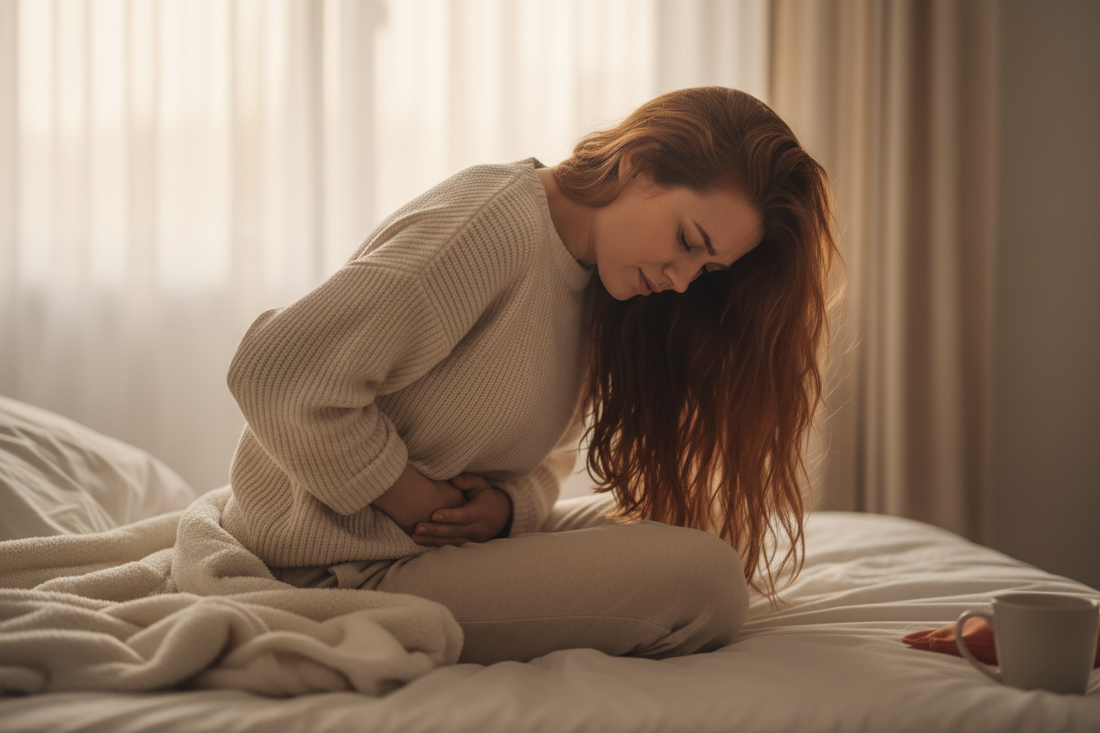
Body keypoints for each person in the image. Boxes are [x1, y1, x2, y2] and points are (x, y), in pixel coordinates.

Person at [222, 87, 839, 665]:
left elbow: (544, 458)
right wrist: (412, 498)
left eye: (706, 269)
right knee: (704, 582)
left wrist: (504, 508)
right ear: (639, 163)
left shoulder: (599, 277)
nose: (681, 278)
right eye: (687, 240)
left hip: (426, 543)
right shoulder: (493, 224)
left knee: (693, 543)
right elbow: (277, 371)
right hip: (340, 562)